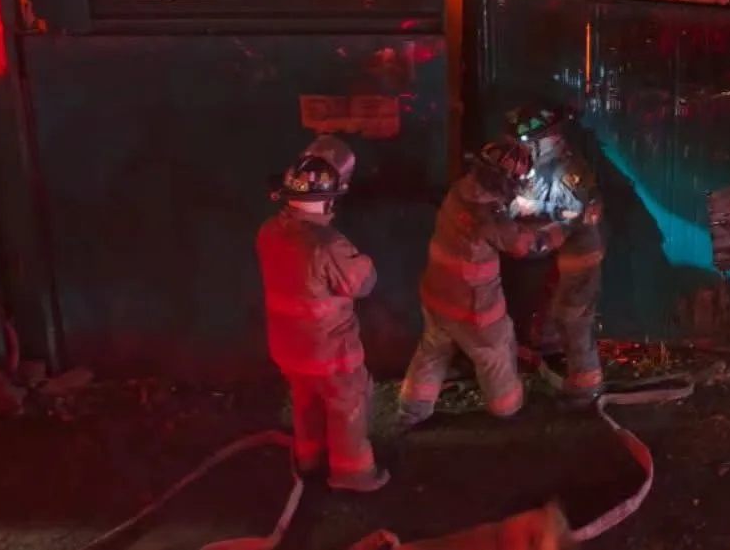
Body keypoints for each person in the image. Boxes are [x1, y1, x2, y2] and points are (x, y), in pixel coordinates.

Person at [397, 141, 570, 428]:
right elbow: (522, 246)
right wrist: (559, 231)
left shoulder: (461, 190)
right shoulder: (490, 216)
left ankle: (412, 411)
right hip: (473, 308)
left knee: (433, 349)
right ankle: (508, 412)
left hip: (437, 297)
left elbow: (498, 218)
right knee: (496, 352)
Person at [255, 135, 389, 492]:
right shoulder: (328, 245)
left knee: (305, 403)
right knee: (348, 407)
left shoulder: (268, 232)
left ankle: (309, 459)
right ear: (328, 199)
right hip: (330, 354)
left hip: (289, 351)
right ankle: (353, 474)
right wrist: (364, 261)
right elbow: (364, 283)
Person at [505, 105, 606, 407]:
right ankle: (553, 357)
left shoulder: (569, 171)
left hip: (581, 256)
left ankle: (586, 387)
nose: (524, 149)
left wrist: (538, 214)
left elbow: (581, 215)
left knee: (572, 318)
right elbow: (529, 196)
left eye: (528, 142)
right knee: (557, 311)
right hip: (561, 256)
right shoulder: (544, 165)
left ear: (547, 139)